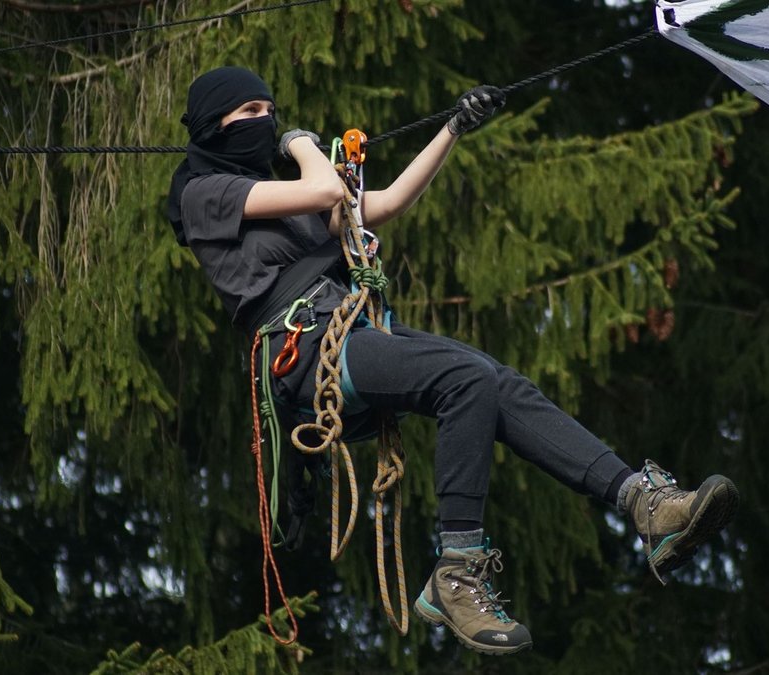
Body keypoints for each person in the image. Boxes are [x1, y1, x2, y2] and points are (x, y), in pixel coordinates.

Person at [167, 66, 739, 656]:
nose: (265, 122)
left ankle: (641, 503)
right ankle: (458, 569)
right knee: (464, 379)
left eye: (270, 110)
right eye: (250, 114)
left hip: (348, 331)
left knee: (495, 382)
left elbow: (380, 204)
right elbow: (325, 192)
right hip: (305, 350)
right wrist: (300, 143)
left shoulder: (275, 201)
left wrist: (451, 130)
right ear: (215, 127)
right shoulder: (203, 193)